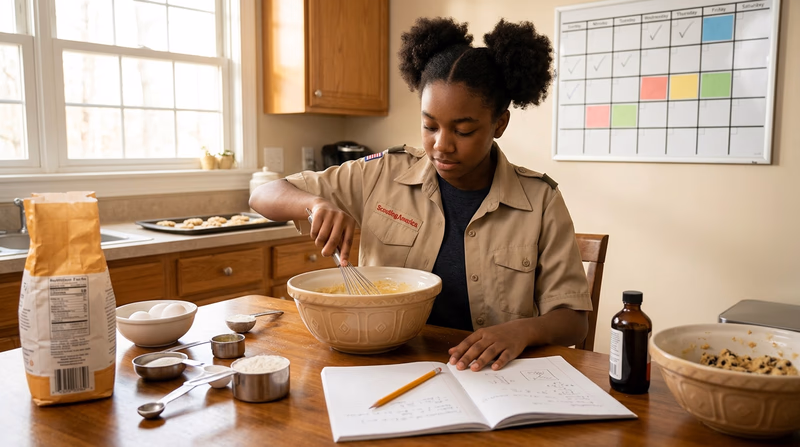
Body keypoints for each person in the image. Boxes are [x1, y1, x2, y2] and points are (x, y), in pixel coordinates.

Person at [250, 17, 591, 372]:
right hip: (388, 365)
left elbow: (573, 320)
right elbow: (263, 194)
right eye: (430, 126)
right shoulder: (382, 173)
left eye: (463, 130)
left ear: (499, 124)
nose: (441, 145)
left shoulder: (540, 200)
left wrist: (521, 331)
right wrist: (313, 204)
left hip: (490, 374)